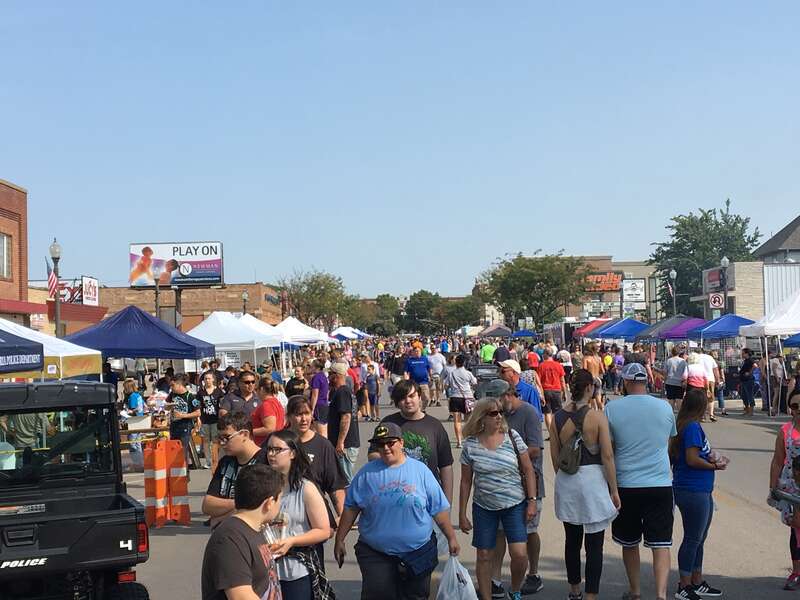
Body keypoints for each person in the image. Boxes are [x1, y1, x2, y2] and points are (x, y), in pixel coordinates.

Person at [334, 422, 459, 600]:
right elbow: (351, 509)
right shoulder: (366, 474)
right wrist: (340, 539)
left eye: (390, 443)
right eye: (380, 444)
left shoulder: (420, 471)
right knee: (379, 595)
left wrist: (451, 537)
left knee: (416, 596)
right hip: (376, 553)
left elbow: (438, 509)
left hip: (418, 552)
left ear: (401, 442)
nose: (385, 448)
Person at [604, 363, 677, 600]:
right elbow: (668, 442)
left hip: (627, 484)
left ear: (625, 382)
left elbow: (609, 450)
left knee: (629, 542)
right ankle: (661, 594)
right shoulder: (664, 407)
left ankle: (635, 591)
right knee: (661, 544)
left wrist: (611, 487)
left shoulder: (612, 408)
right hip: (660, 483)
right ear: (646, 381)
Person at [549, 369, 620, 600]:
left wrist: (565, 478)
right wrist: (614, 490)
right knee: (594, 544)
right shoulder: (597, 417)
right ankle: (591, 595)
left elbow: (555, 457)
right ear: (589, 388)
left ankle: (574, 590)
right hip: (593, 482)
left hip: (567, 480)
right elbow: (607, 456)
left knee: (572, 540)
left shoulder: (557, 417)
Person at [459, 399, 538, 600]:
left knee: (519, 554)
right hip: (484, 507)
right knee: (484, 555)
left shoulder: (512, 436)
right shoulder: (470, 444)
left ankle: (515, 590)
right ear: (482, 417)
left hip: (514, 505)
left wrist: (532, 501)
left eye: (500, 412)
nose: (499, 416)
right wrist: (461, 513)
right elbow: (466, 481)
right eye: (494, 413)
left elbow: (528, 469)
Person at [670, 388, 726, 600]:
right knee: (693, 538)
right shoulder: (692, 427)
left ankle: (696, 580)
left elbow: (694, 454)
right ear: (700, 407)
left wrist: (712, 458)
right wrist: (714, 466)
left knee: (699, 538)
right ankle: (684, 585)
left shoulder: (686, 425)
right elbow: (692, 459)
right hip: (693, 489)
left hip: (698, 488)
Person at [264, 429, 335, 598]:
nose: (271, 454)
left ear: (293, 453)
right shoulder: (264, 487)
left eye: (277, 449)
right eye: (269, 449)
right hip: (266, 571)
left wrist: (292, 541)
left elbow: (324, 530)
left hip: (297, 572)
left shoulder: (306, 488)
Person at [492, 379, 546, 597]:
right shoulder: (498, 414)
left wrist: (505, 456)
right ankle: (495, 580)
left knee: (529, 531)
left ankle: (533, 574)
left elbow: (535, 448)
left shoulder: (529, 413)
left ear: (508, 395)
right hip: (503, 484)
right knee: (499, 532)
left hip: (528, 482)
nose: (494, 406)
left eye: (497, 400)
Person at [201, 463, 284, 600]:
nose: (280, 504)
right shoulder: (229, 539)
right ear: (269, 503)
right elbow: (241, 596)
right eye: (280, 499)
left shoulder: (255, 529)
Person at [367, 380, 454, 502]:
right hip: (394, 496)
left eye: (412, 396)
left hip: (429, 496)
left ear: (419, 397)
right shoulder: (388, 424)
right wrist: (395, 459)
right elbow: (372, 455)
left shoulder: (435, 426)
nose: (408, 401)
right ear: (397, 403)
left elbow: (446, 467)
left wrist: (447, 502)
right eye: (403, 398)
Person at [284, 395, 347, 537]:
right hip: (283, 516)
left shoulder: (323, 446)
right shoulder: (278, 442)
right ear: (289, 417)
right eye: (298, 414)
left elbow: (336, 485)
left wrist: (342, 518)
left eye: (307, 413)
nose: (304, 419)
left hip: (313, 519)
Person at [202, 412, 269, 527]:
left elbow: (262, 507)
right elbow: (207, 505)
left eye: (226, 437)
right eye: (219, 438)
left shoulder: (265, 462)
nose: (222, 443)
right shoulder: (225, 462)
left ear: (245, 434)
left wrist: (222, 517)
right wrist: (241, 505)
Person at [769, 389, 800, 590]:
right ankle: (796, 571)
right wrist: (773, 487)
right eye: (795, 406)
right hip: (792, 489)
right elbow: (778, 461)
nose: (799, 409)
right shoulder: (785, 431)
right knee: (796, 529)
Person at [327, 362, 360, 483]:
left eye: (330, 374)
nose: (328, 377)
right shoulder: (345, 391)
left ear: (336, 376)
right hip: (346, 443)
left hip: (346, 445)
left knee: (345, 480)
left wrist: (340, 442)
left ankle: (352, 496)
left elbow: (346, 416)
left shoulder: (342, 392)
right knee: (343, 479)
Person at [443, 354, 478, 447]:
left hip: (455, 397)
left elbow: (446, 385)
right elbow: (474, 382)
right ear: (464, 363)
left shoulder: (451, 374)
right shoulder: (468, 373)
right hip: (467, 397)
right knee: (468, 420)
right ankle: (467, 439)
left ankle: (459, 441)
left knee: (457, 421)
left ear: (456, 363)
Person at [167, 374, 201, 469]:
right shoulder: (172, 394)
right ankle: (175, 470)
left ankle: (184, 472)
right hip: (174, 426)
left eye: (173, 385)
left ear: (179, 384)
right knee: (173, 449)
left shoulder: (190, 397)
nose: (171, 387)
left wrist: (183, 415)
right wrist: (167, 407)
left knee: (182, 450)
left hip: (185, 426)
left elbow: (198, 412)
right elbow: (167, 405)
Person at [198, 371, 224, 470]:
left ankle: (215, 460)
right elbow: (198, 407)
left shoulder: (219, 392)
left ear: (213, 379)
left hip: (215, 420)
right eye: (205, 379)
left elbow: (222, 405)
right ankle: (208, 461)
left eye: (209, 378)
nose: (207, 380)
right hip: (204, 420)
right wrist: (198, 419)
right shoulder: (200, 392)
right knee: (205, 441)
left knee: (215, 440)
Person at [539, 348, 567, 432]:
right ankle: (557, 431)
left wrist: (540, 393)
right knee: (557, 412)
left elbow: (539, 381)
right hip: (556, 390)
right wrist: (564, 392)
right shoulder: (558, 365)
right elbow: (562, 380)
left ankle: (551, 432)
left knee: (547, 413)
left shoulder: (541, 365)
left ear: (545, 354)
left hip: (545, 390)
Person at [251, 377, 286, 446]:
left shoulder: (267, 405)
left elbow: (270, 428)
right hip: (274, 442)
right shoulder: (276, 402)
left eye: (256, 389)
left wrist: (249, 432)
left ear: (261, 389)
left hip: (265, 445)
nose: (255, 392)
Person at [404, 346, 433, 410]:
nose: (417, 352)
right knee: (416, 398)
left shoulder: (424, 359)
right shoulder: (409, 360)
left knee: (426, 398)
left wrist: (431, 376)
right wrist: (406, 379)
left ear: (421, 352)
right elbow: (406, 371)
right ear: (413, 352)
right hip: (414, 383)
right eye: (416, 351)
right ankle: (418, 410)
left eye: (419, 351)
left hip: (424, 382)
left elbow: (429, 368)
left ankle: (422, 409)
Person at [309, 359, 330, 437]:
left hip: (318, 405)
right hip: (324, 404)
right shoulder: (323, 376)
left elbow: (315, 394)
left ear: (316, 367)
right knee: (315, 431)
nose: (310, 368)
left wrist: (312, 409)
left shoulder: (316, 377)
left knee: (322, 433)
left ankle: (325, 445)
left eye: (311, 366)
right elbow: (327, 392)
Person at [698, 348, 720, 422]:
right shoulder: (710, 357)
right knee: (710, 397)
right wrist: (718, 379)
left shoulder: (696, 357)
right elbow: (715, 369)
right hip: (710, 379)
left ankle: (702, 416)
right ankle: (711, 414)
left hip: (699, 379)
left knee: (701, 398)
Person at [739, 348, 756, 416]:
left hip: (748, 380)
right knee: (743, 395)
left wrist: (749, 373)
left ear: (747, 354)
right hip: (743, 380)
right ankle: (747, 410)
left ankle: (751, 411)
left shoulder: (750, 360)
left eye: (743, 353)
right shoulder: (745, 361)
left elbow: (755, 366)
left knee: (750, 395)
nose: (742, 354)